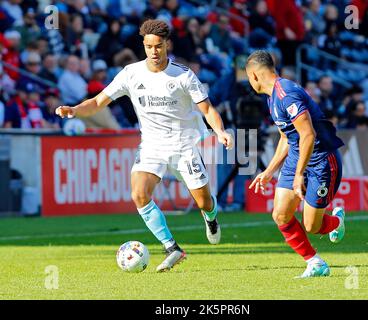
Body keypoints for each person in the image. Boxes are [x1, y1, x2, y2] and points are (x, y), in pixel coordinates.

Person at [55, 19, 233, 272]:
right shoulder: (131, 73)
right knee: (139, 194)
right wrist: (74, 110)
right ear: (144, 45)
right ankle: (172, 248)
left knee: (204, 201)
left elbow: (208, 109)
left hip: (183, 145)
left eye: (158, 46)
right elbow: (97, 102)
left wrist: (221, 132)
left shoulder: (183, 75)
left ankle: (211, 218)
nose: (154, 51)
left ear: (166, 44)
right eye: (149, 46)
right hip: (151, 145)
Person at [245, 50, 346, 278]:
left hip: (321, 159)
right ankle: (315, 262)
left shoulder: (286, 94)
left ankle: (336, 221)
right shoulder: (272, 98)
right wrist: (269, 171)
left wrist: (299, 174)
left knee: (311, 226)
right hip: (296, 158)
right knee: (280, 214)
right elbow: (286, 137)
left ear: (253, 75)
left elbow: (308, 135)